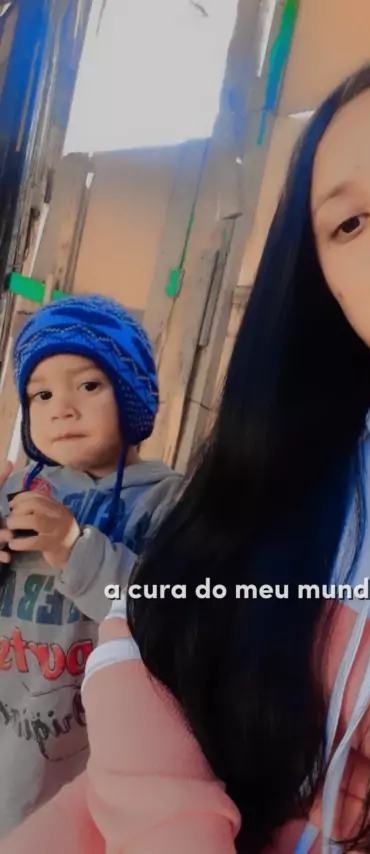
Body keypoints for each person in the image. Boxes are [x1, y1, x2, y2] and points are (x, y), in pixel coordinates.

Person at [3, 50, 370, 854]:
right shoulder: (269, 480)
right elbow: (157, 632)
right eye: (349, 222)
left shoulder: (160, 497)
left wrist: (76, 549)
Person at [0, 294, 180, 838]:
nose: (62, 408)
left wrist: (73, 546)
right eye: (42, 394)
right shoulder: (16, 489)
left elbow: (167, 618)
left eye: (88, 385)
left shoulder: (169, 504)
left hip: (96, 763)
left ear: (131, 393)